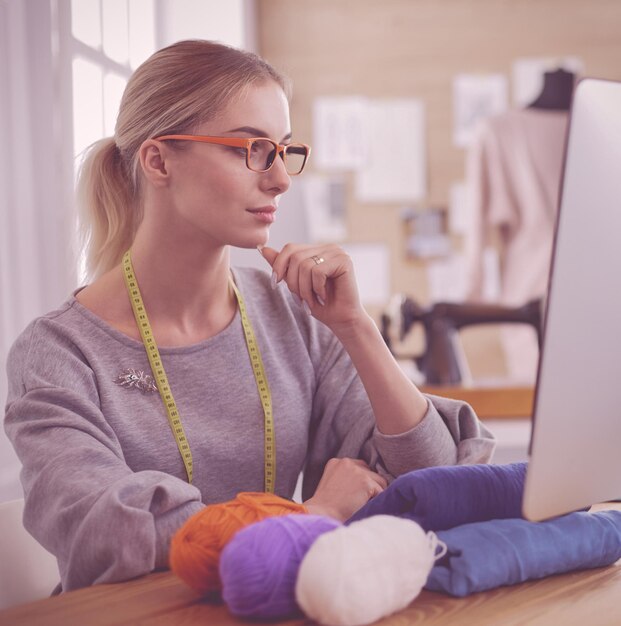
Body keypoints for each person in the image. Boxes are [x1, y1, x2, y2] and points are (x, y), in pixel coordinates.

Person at [4, 40, 495, 592]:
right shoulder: (60, 352)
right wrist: (310, 517)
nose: (281, 179)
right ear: (159, 159)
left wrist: (357, 329)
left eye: (283, 150)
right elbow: (109, 534)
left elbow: (436, 482)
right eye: (251, 149)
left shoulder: (297, 315)